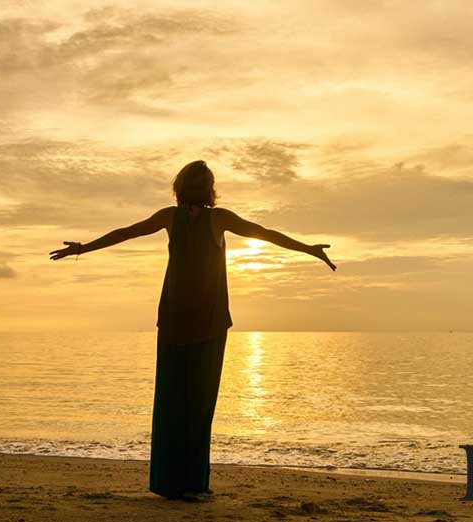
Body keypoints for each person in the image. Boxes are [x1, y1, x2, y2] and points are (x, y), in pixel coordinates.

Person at [49, 160, 336, 501]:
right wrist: (308, 249)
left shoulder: (170, 217)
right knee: (199, 405)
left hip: (174, 320)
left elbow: (125, 232)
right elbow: (265, 233)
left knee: (171, 402)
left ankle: (169, 483)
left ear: (180, 187)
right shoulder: (219, 218)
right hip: (209, 323)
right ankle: (194, 485)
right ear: (210, 189)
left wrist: (83, 248)